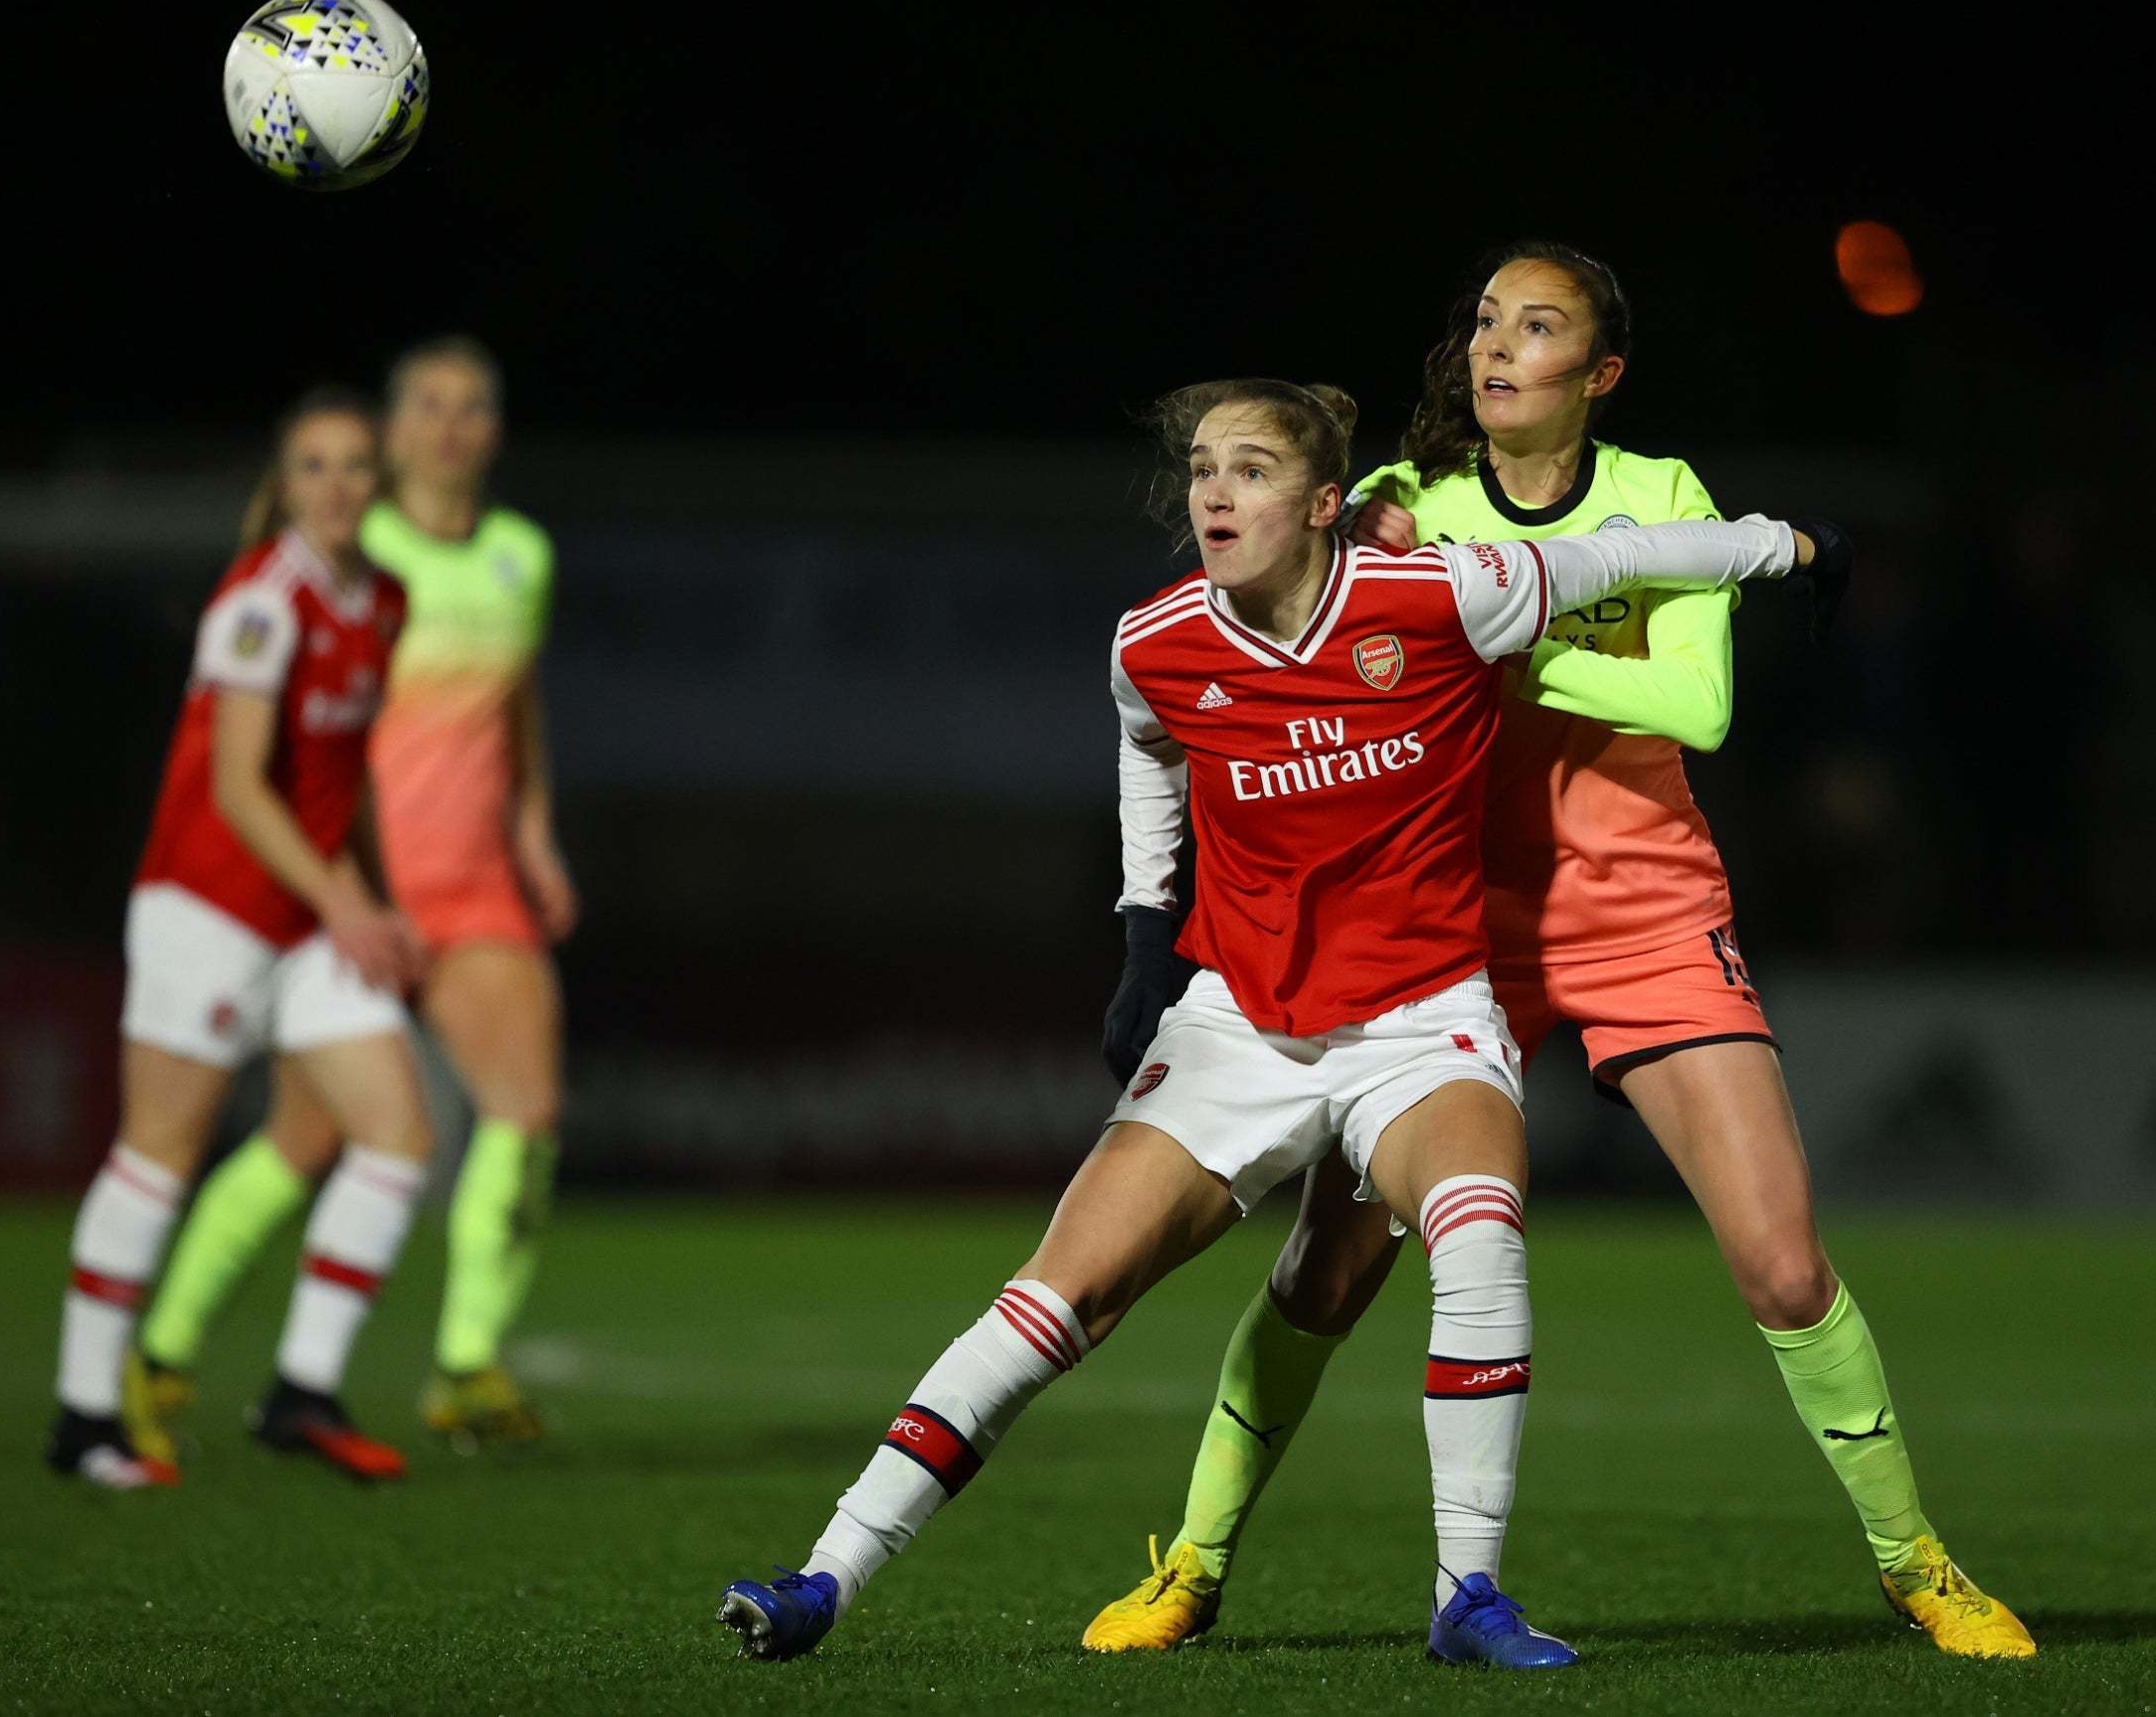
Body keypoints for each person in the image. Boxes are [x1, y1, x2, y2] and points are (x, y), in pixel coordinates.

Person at [716, 377, 1817, 1666]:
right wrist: (1144, 926)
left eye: (1247, 469)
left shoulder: (1438, 597)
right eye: (1200, 471)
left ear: (1321, 503)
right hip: (1241, 1027)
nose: (1215, 494)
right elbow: (1147, 748)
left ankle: (1468, 1592)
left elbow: (1626, 552)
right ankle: (825, 1578)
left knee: (1476, 1222)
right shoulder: (1158, 639)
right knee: (1054, 1300)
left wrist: (1782, 544)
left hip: (1421, 1020)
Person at [1079, 244, 2034, 1660]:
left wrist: (1475, 619)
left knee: (1779, 1261)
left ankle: (1918, 1562)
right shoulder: (1404, 501)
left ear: (1601, 372)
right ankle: (1196, 1561)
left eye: (1539, 326)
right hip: (1444, 921)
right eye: (1483, 320)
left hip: (1642, 906)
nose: (1497, 346)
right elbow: (1266, 656)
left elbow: (1695, 703)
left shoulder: (1657, 497)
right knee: (1326, 1268)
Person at [124, 337, 572, 1452]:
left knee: (525, 1113)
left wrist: (533, 835)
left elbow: (514, 708)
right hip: (362, 884)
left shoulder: (520, 554)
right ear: (391, 425)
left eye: (473, 406)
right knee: (307, 1136)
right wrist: (331, 885)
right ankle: (163, 1348)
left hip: (473, 888)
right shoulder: (346, 549)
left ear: (494, 430)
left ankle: (465, 1365)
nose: (451, 426)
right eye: (429, 404)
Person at [46, 388, 431, 1488]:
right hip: (206, 907)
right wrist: (349, 903)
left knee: (395, 1135)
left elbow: (332, 784)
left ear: (380, 484)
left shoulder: (384, 600)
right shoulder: (260, 603)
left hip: (306, 916)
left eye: (356, 466)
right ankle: (81, 1420)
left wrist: (370, 895)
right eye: (314, 466)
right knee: (159, 1153)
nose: (337, 485)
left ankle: (301, 1392)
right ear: (286, 484)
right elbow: (238, 788)